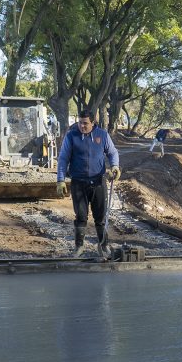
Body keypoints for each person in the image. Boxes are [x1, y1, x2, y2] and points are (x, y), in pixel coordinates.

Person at [56, 109, 120, 257]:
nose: (82, 126)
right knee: (81, 216)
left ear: (93, 123)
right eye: (80, 122)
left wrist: (114, 166)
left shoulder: (102, 135)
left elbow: (112, 152)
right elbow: (63, 158)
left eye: (85, 123)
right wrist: (60, 180)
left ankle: (103, 246)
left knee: (100, 217)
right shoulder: (72, 136)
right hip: (78, 183)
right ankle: (79, 247)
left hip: (98, 182)